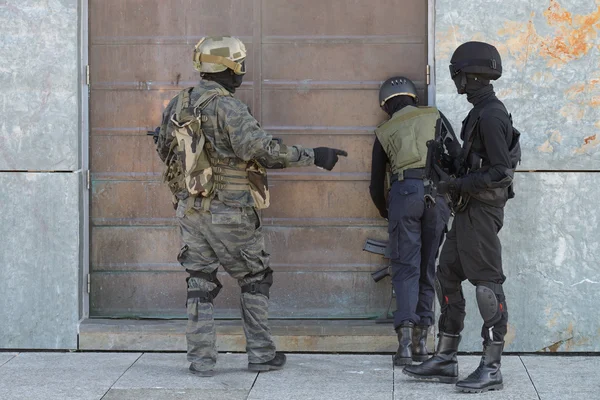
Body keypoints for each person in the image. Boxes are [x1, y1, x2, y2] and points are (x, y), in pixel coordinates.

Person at [154, 36, 347, 377]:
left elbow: (164, 148)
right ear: (229, 67)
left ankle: (201, 360)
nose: (243, 70)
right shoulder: (228, 107)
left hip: (191, 209)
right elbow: (263, 152)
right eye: (239, 63)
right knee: (255, 279)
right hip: (230, 210)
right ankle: (261, 354)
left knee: (199, 281)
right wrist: (315, 155)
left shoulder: (178, 103)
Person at [403, 41, 519, 393]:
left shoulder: (492, 115)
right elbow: (478, 162)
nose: (456, 80)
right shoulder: (476, 114)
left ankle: (492, 367)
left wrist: (456, 182)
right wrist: (450, 157)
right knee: (447, 277)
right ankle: (447, 357)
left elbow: (501, 172)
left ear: (471, 75)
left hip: (482, 211)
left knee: (487, 286)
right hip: (466, 209)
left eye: (458, 74)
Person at [369, 76, 452, 366]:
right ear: (414, 97)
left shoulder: (384, 130)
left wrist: (386, 210)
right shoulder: (435, 115)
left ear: (386, 104)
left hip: (404, 195)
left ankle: (404, 347)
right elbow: (455, 156)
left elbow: (374, 185)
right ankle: (421, 344)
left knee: (406, 269)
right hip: (437, 195)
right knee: (428, 267)